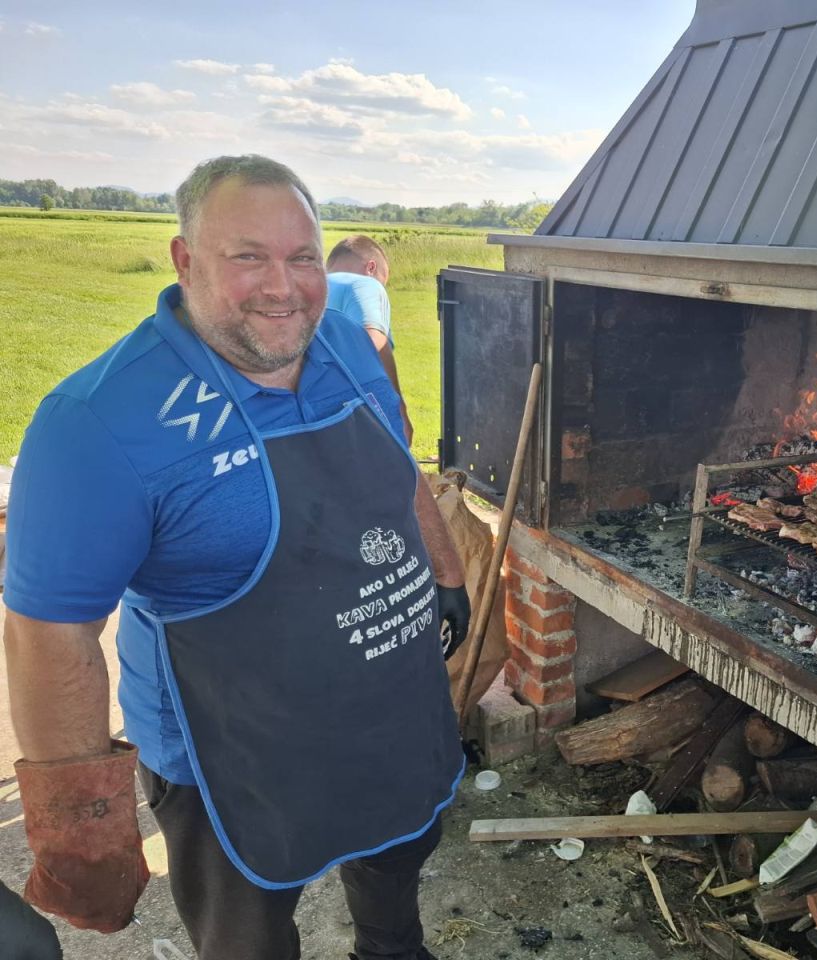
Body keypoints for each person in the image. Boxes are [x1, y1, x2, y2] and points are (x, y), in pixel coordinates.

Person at [3, 155, 471, 960]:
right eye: (248, 256)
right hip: (229, 752)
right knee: (248, 933)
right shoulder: (97, 421)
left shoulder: (346, 345)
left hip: (382, 698)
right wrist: (80, 823)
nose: (283, 288)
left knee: (397, 854)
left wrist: (448, 577)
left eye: (302, 257)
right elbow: (49, 632)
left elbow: (401, 468)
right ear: (185, 261)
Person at [326, 235, 414, 444]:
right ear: (371, 267)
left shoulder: (311, 286)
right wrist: (397, 410)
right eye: (383, 281)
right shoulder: (365, 284)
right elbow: (372, 342)